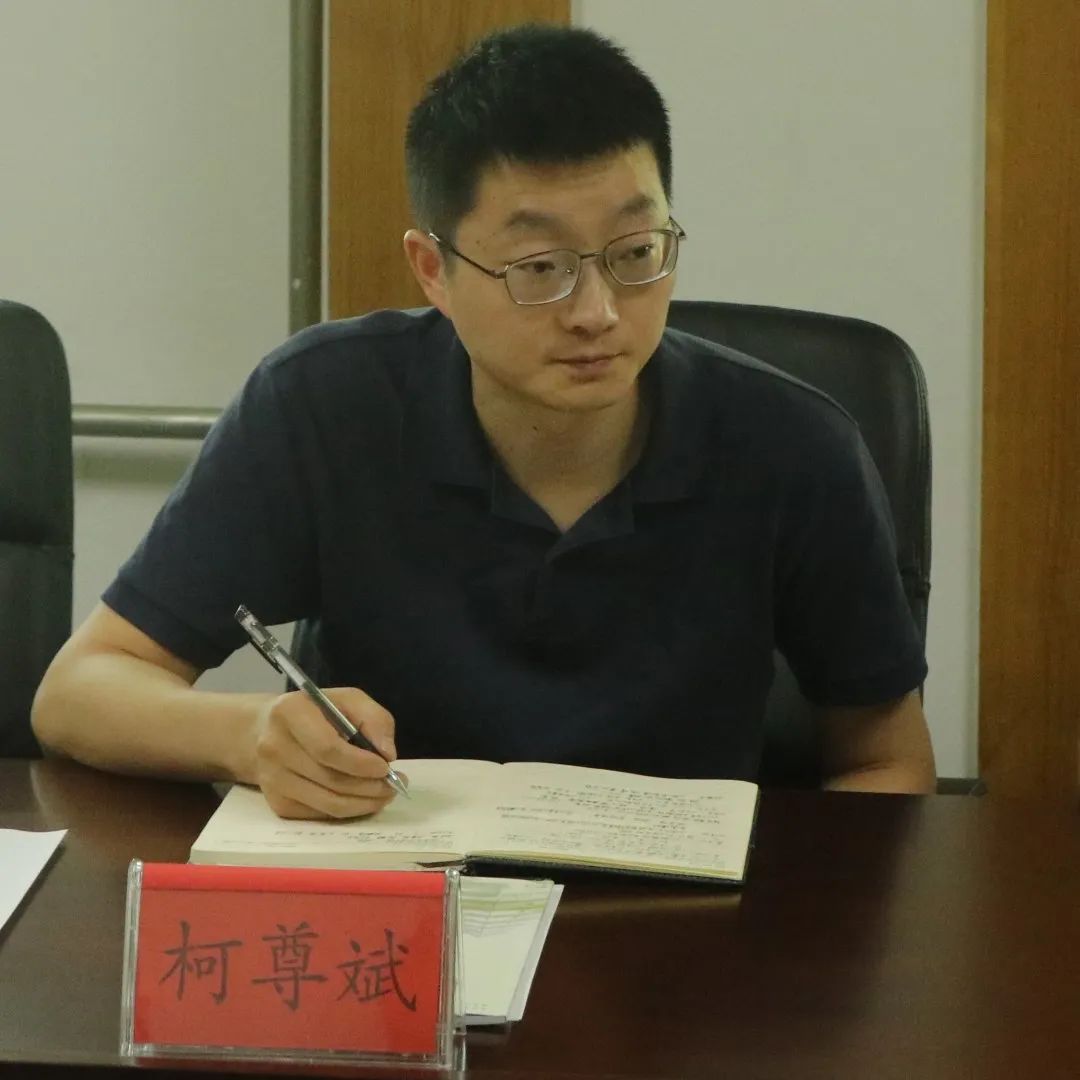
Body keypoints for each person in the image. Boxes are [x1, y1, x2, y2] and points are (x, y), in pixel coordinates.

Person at [32, 24, 936, 817]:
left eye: (635, 252)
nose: (597, 313)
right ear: (434, 270)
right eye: (540, 267)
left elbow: (886, 761)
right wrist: (248, 733)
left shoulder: (792, 446)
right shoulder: (323, 407)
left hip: (682, 920)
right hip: (399, 907)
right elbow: (77, 692)